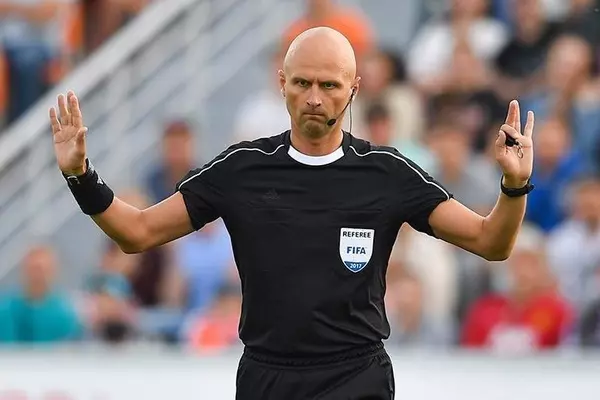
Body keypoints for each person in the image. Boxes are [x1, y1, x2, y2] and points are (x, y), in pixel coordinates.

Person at [48, 27, 535, 400]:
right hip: (267, 377)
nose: (315, 98)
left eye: (330, 85)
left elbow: (491, 242)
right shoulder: (241, 169)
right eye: (302, 83)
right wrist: (80, 175)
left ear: (354, 88)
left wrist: (514, 186)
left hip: (356, 376)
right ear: (282, 84)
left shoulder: (387, 173)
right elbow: (136, 232)